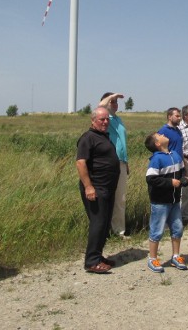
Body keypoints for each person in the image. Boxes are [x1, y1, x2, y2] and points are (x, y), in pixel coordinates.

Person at [76, 106, 121, 273]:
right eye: (102, 119)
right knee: (98, 223)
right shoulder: (88, 138)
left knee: (104, 224)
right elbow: (81, 163)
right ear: (93, 120)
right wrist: (88, 187)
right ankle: (91, 262)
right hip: (96, 188)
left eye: (107, 119)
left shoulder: (103, 136)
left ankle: (98, 255)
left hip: (108, 188)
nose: (105, 122)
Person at [144, 132, 188, 273]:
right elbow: (151, 179)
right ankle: (152, 258)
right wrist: (170, 182)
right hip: (160, 202)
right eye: (159, 135)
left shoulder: (175, 155)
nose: (163, 134)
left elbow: (182, 172)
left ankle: (176, 256)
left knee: (177, 228)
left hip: (175, 200)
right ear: (157, 143)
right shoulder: (156, 159)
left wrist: (184, 180)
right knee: (157, 230)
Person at [98, 92, 129, 238]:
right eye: (112, 101)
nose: (115, 104)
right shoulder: (105, 119)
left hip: (121, 162)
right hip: (109, 163)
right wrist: (113, 95)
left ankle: (119, 230)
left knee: (120, 198)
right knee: (106, 197)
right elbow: (100, 106)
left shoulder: (118, 119)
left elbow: (122, 142)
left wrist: (126, 162)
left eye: (116, 102)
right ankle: (103, 230)